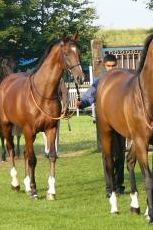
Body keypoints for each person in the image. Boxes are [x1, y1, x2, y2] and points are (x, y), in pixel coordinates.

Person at [76, 54, 126, 197]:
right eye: (108, 66)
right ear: (105, 66)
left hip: (120, 122)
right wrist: (81, 103)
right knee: (107, 155)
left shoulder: (122, 81)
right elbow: (88, 97)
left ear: (116, 65)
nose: (111, 68)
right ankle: (110, 188)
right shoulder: (99, 82)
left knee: (120, 154)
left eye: (113, 66)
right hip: (104, 123)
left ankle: (119, 185)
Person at [42, 78, 69, 157]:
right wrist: (65, 106)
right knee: (54, 129)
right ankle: (53, 150)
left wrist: (65, 106)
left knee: (47, 129)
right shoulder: (59, 78)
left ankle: (49, 150)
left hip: (50, 107)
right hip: (52, 107)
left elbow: (64, 93)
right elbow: (65, 93)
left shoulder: (59, 79)